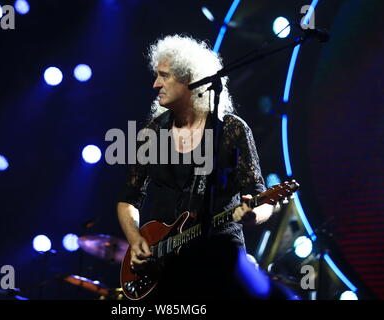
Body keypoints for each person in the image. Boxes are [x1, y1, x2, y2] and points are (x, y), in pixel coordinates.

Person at [117, 34, 275, 299]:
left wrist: (253, 215)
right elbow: (128, 199)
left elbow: (263, 197)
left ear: (189, 79)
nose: (156, 84)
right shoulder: (152, 132)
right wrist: (135, 240)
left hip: (219, 261)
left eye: (163, 76)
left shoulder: (231, 130)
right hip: (165, 265)